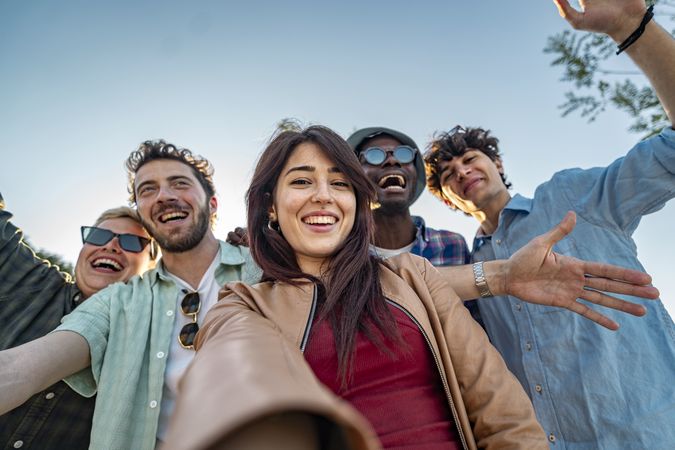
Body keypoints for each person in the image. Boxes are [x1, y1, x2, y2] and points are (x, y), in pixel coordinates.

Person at [164, 125, 657, 450]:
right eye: (301, 181)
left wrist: (503, 275)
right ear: (270, 206)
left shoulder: (415, 275)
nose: (322, 195)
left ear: (358, 203)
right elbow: (233, 377)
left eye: (340, 183)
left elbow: (501, 412)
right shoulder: (242, 303)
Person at [423, 1, 675, 447]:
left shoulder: (570, 195)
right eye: (448, 175)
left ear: (496, 162)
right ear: (449, 199)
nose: (462, 171)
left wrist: (634, 28)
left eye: (470, 158)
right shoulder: (468, 268)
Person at [0, 140, 260, 450]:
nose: (164, 195)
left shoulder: (268, 266)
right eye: (148, 189)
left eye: (179, 183)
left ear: (213, 204)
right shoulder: (115, 303)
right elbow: (18, 369)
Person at [0, 192, 156, 450]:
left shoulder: (155, 343)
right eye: (98, 236)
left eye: (130, 242)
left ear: (152, 266)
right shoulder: (31, 280)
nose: (110, 246)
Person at [347, 127, 482, 324]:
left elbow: (475, 324)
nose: (392, 161)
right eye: (374, 155)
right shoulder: (343, 254)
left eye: (403, 154)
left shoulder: (452, 245)